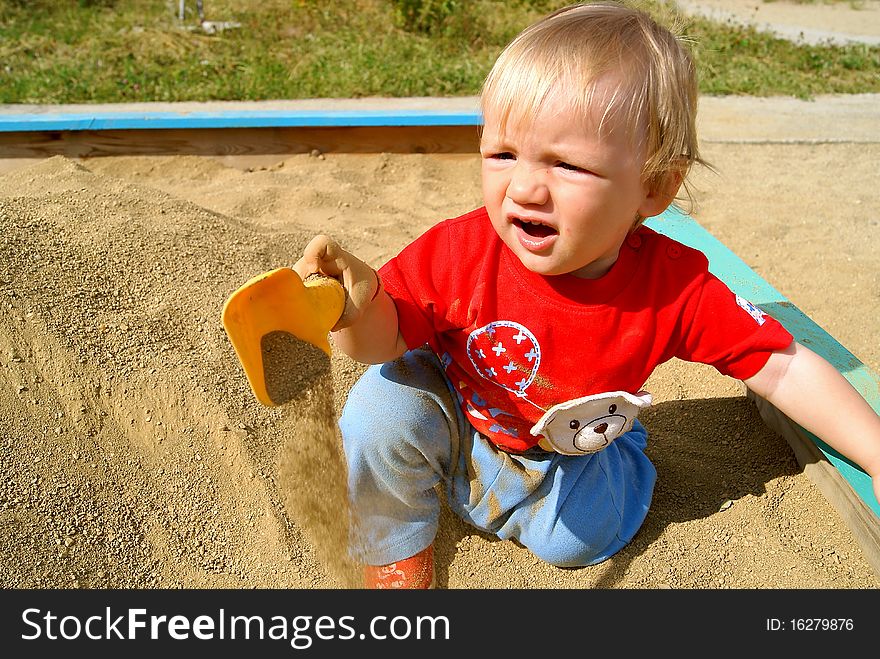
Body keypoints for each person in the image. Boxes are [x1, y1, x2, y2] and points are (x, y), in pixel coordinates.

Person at [293, 1, 880, 589]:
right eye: (502, 154)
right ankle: (395, 545)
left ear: (652, 187)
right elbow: (382, 341)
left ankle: (586, 472)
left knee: (578, 540)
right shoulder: (463, 251)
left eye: (567, 165)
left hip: (568, 450)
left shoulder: (672, 288)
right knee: (381, 401)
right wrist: (355, 309)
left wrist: (874, 452)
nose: (523, 188)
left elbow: (779, 367)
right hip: (463, 408)